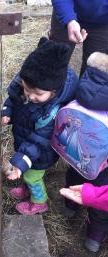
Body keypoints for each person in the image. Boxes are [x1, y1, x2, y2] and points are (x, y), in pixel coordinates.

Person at [2, 37, 78, 215]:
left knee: (32, 175)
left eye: (38, 93)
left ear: (54, 91)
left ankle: (39, 201)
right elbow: (13, 100)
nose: (30, 96)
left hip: (40, 153)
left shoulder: (52, 113)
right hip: (25, 141)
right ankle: (27, 189)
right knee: (28, 173)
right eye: (27, 89)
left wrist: (21, 163)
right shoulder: (27, 88)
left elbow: (39, 140)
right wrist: (6, 112)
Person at [59, 50, 108, 253]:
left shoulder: (82, 87)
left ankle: (69, 208)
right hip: (103, 166)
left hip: (76, 155)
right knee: (101, 196)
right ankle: (94, 238)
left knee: (74, 178)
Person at [50, 0, 108, 76]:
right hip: (65, 13)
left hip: (102, 23)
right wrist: (68, 19)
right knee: (54, 63)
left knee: (94, 71)